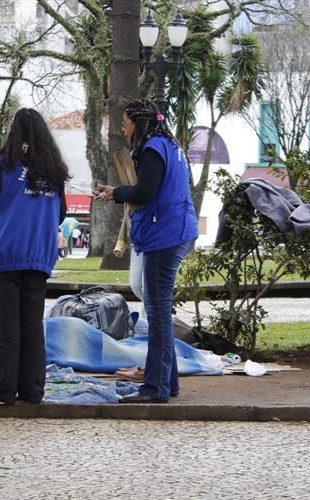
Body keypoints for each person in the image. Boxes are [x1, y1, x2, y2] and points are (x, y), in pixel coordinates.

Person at [96, 99, 198, 403]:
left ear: (139, 123)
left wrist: (116, 193)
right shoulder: (171, 146)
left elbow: (145, 192)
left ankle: (155, 388)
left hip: (163, 235)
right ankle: (168, 382)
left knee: (157, 313)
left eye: (126, 123)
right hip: (175, 230)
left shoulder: (153, 147)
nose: (124, 130)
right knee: (160, 312)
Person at [0, 108, 68, 405]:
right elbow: (59, 213)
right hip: (39, 254)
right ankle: (33, 390)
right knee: (33, 325)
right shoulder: (54, 172)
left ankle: (3, 390)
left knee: (7, 324)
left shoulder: (4, 165)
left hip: (5, 252)